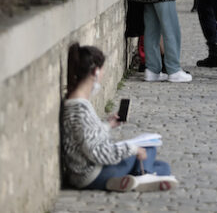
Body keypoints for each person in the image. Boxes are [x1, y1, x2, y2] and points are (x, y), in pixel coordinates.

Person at [62, 43, 178, 191]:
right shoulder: (78, 109)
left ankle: (131, 179)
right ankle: (141, 177)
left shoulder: (79, 104)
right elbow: (95, 152)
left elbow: (88, 137)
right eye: (103, 71)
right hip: (91, 174)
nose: (103, 75)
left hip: (94, 169)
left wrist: (108, 126)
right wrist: (132, 149)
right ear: (96, 72)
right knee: (147, 149)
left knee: (163, 166)